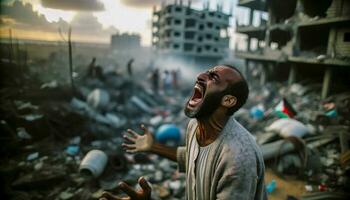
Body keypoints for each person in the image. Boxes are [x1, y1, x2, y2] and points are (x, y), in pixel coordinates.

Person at [100, 65, 267, 200]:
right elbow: (194, 158)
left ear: (228, 100)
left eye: (213, 78)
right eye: (207, 72)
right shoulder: (195, 125)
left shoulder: (238, 159)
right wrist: (154, 147)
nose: (200, 76)